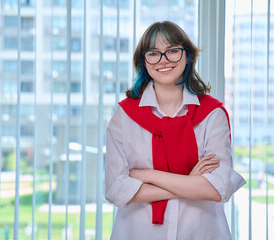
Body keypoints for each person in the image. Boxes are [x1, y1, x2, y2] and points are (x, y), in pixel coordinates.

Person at [105, 21, 245, 240]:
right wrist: (190, 181)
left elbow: (218, 189)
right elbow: (116, 189)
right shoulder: (124, 116)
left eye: (172, 51)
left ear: (187, 56)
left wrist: (148, 176)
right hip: (137, 233)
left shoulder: (212, 114)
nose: (163, 60)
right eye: (153, 53)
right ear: (144, 61)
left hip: (201, 232)